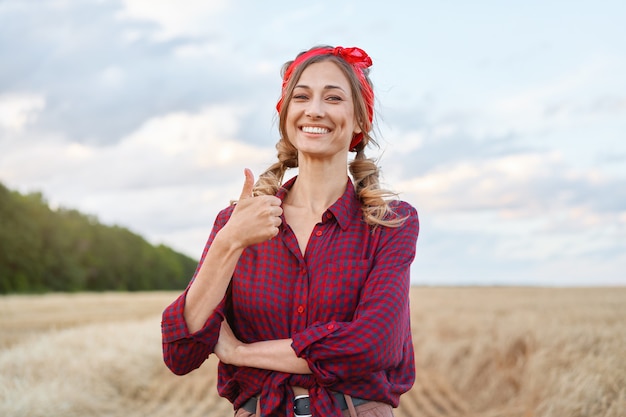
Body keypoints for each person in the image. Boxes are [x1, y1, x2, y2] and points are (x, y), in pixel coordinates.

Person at [161, 45, 420, 417]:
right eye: (301, 96)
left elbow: (372, 345)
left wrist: (240, 353)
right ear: (286, 116)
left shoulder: (390, 223)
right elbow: (180, 352)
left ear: (360, 122)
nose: (315, 110)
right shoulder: (236, 223)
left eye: (333, 98)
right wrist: (230, 241)